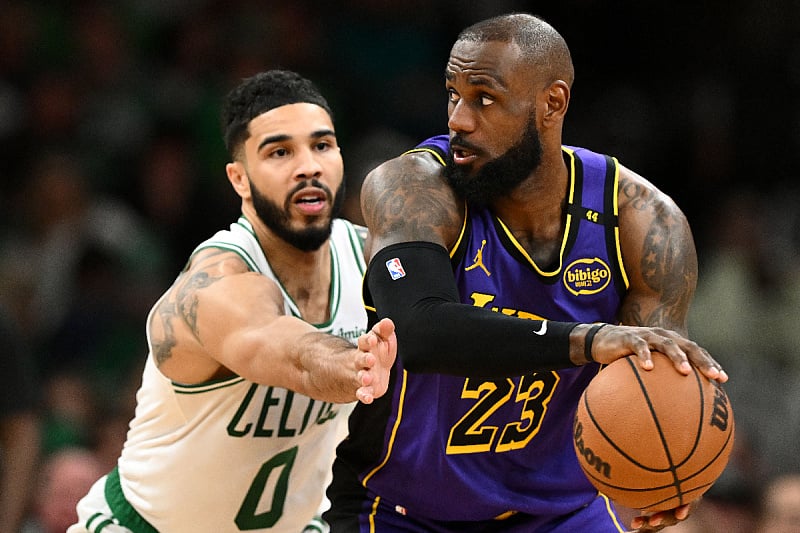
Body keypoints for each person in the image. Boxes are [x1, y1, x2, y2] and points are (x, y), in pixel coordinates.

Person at [324, 13, 727, 533]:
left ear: (552, 103)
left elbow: (656, 387)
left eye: (483, 98)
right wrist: (586, 339)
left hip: (560, 512)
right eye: (453, 94)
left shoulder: (642, 220)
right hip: (407, 509)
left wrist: (666, 477)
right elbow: (419, 331)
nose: (458, 120)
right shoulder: (413, 187)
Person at [67, 69, 397, 532]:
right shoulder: (215, 285)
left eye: (322, 145)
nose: (309, 166)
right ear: (239, 178)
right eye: (280, 152)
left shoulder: (373, 262)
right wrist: (362, 365)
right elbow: (296, 356)